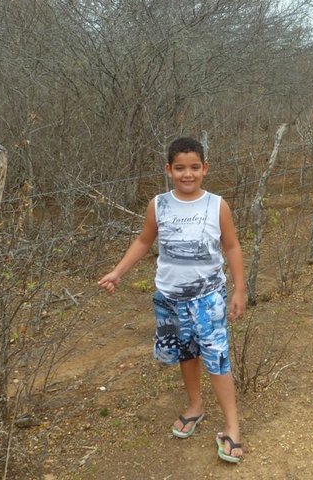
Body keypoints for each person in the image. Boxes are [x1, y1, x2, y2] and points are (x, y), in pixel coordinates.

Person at [98, 137, 247, 463]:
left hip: (208, 299)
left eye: (194, 167)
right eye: (180, 168)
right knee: (186, 353)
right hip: (170, 298)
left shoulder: (216, 205)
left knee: (217, 358)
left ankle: (232, 427)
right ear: (169, 170)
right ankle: (195, 406)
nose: (187, 174)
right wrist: (118, 272)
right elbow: (143, 240)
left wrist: (239, 289)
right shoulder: (159, 205)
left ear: (205, 168)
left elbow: (232, 247)